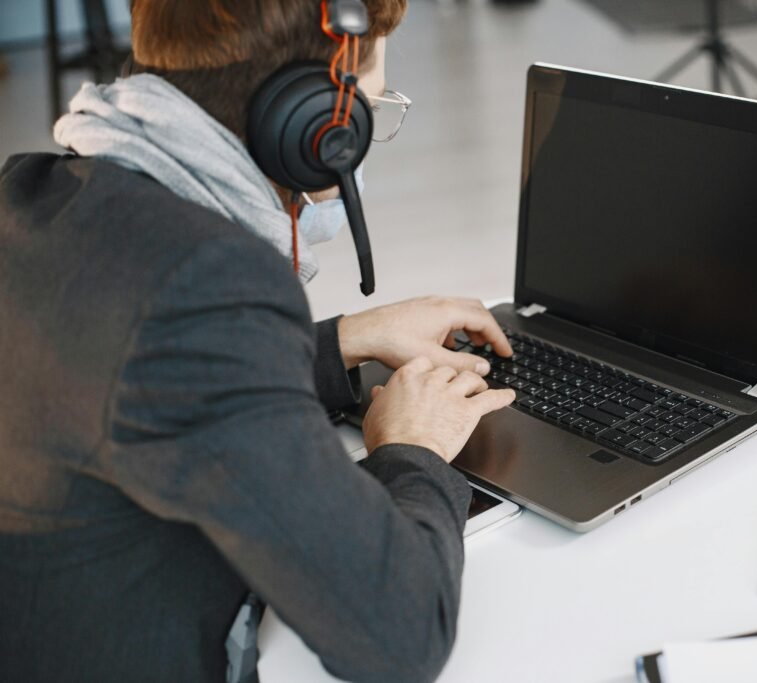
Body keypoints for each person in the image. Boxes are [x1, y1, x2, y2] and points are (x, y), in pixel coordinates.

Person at [0, 1, 516, 682]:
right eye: (372, 108)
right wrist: (412, 447)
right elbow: (401, 632)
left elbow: (137, 382)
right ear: (314, 126)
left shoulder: (33, 195)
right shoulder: (201, 284)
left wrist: (336, 345)